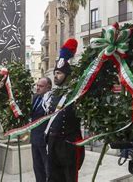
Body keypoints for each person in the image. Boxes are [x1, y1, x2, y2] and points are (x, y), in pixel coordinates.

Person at [45, 39, 85, 182]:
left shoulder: (75, 94)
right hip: (53, 142)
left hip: (68, 144)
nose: (55, 76)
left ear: (67, 75)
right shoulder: (53, 95)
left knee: (69, 177)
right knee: (53, 177)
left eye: (60, 73)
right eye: (55, 72)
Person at [31, 77, 52, 182]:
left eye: (41, 86)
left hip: (45, 141)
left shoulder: (50, 100)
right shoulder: (35, 97)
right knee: (37, 167)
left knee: (47, 169)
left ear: (48, 88)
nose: (37, 88)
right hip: (34, 138)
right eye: (37, 85)